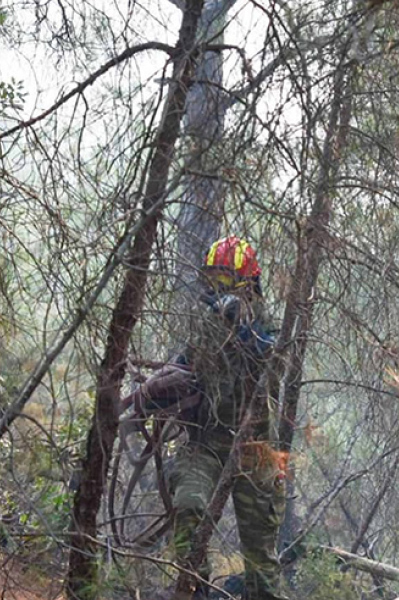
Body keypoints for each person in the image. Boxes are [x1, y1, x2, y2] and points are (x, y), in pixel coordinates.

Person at [123, 235, 285, 600]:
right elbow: (184, 365)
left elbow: (274, 371)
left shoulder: (268, 326)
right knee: (190, 505)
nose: (215, 287)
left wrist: (243, 330)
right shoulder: (206, 322)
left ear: (246, 282)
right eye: (211, 277)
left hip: (254, 449)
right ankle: (194, 591)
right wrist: (146, 398)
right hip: (205, 443)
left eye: (224, 279)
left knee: (261, 557)